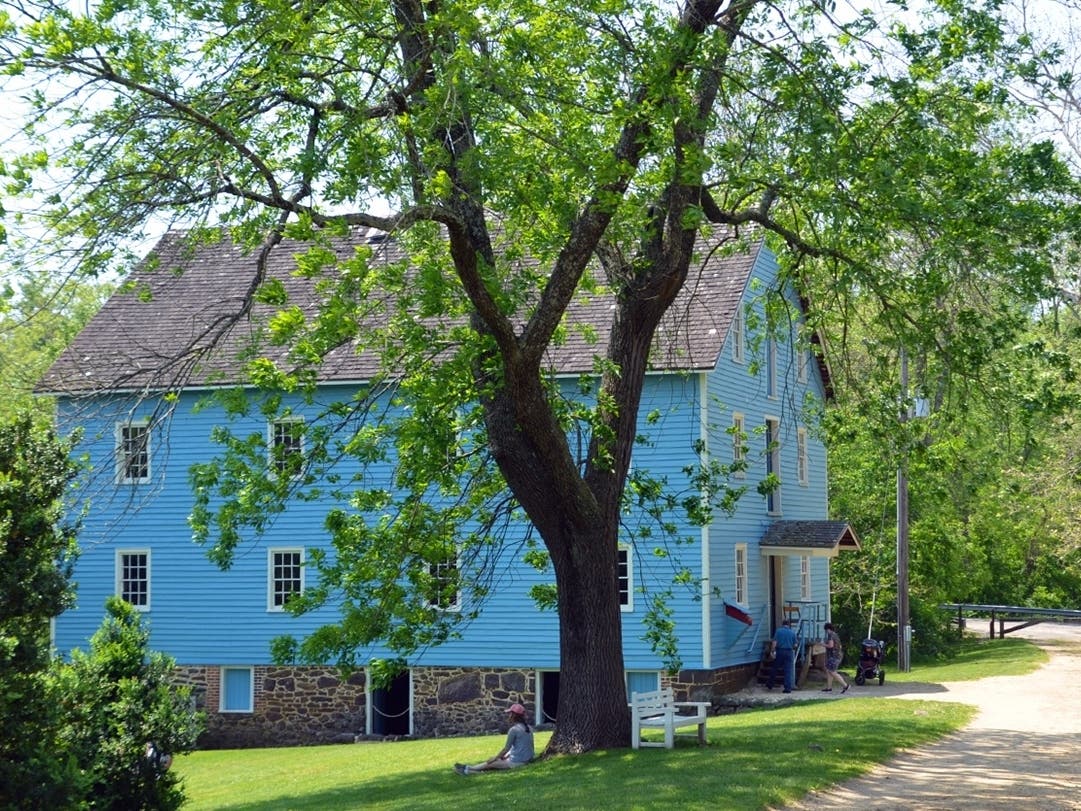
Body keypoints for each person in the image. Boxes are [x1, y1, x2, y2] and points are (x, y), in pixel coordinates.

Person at [454, 702, 534, 775]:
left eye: (509, 714)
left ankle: (468, 769)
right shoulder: (529, 728)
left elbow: (506, 749)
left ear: (513, 716)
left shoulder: (513, 730)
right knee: (496, 762)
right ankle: (469, 768)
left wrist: (495, 758)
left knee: (491, 763)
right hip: (526, 759)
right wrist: (507, 755)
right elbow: (525, 747)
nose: (508, 716)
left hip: (517, 762)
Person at [766, 619, 797, 693]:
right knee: (788, 670)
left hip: (780, 651)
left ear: (782, 624)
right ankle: (787, 688)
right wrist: (791, 647)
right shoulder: (792, 632)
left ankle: (770, 684)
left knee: (775, 668)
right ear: (789, 625)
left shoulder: (778, 631)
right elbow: (795, 645)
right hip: (789, 651)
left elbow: (774, 642)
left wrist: (772, 651)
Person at [822, 621, 849, 693]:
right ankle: (829, 687)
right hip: (837, 655)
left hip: (834, 656)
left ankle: (845, 685)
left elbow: (831, 646)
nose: (826, 631)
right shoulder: (835, 635)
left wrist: (823, 644)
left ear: (828, 629)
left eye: (826, 630)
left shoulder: (831, 635)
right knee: (828, 671)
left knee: (832, 671)